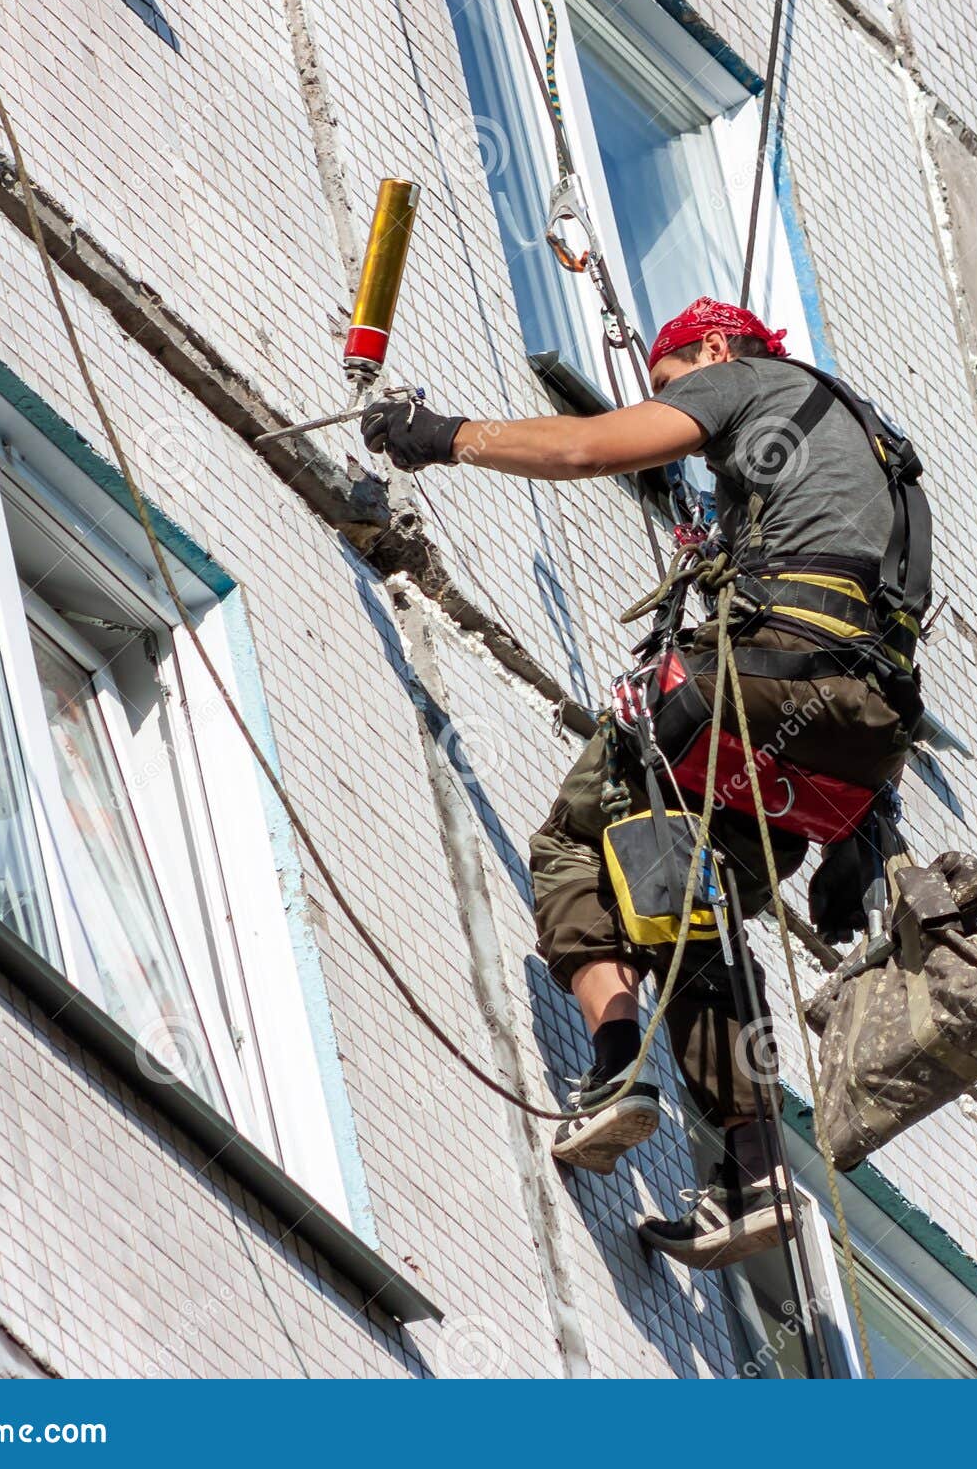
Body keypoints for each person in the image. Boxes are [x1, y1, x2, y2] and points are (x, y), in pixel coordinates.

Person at [362, 296, 915, 1269]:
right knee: (683, 891)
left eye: (674, 388)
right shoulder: (887, 467)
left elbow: (586, 448)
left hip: (754, 683)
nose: (685, 424)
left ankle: (616, 1068)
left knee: (576, 843)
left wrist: (442, 437)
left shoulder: (745, 380)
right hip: (845, 741)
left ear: (706, 350)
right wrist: (865, 823)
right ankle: (750, 1166)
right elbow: (883, 648)